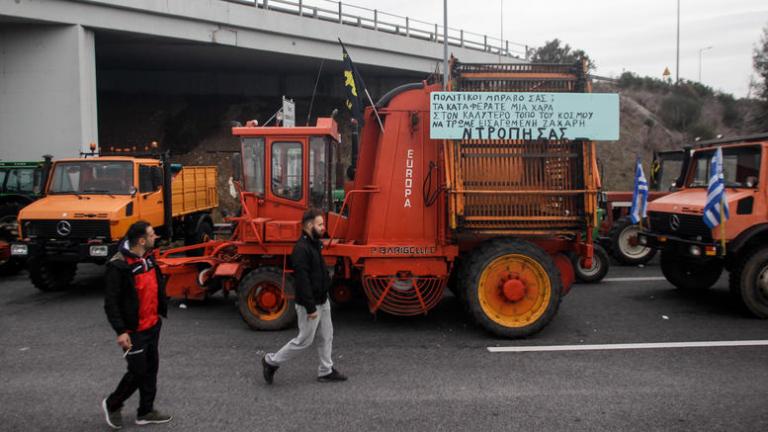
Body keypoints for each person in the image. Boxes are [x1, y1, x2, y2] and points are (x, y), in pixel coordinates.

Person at [262, 209, 347, 384]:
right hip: (311, 304)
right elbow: (302, 281)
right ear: (309, 225)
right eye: (320, 224)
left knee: (326, 335)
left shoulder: (315, 243)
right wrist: (310, 308)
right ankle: (271, 361)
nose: (323, 227)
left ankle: (326, 370)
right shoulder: (301, 249)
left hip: (322, 300)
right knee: (304, 341)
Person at [102, 221, 173, 429]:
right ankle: (112, 404)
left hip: (152, 325)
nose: (155, 237)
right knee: (138, 371)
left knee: (151, 369)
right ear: (141, 240)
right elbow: (111, 303)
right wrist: (121, 331)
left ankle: (146, 411)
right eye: (152, 235)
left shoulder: (148, 258)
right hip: (134, 331)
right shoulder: (119, 266)